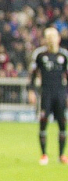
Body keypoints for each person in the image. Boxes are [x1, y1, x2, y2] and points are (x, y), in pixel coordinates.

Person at [28, 27, 68, 165]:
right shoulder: (39, 54)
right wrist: (31, 91)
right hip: (46, 93)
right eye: (48, 37)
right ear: (45, 39)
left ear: (58, 38)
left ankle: (62, 155)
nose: (51, 39)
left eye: (53, 36)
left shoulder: (64, 55)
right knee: (43, 122)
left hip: (60, 93)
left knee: (62, 123)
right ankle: (44, 154)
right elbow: (32, 75)